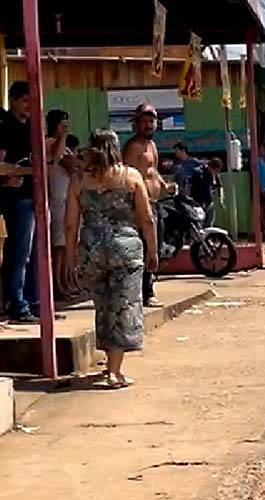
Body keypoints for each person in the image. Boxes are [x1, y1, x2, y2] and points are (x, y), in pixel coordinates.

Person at [64, 129, 158, 388]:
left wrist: (71, 256)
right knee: (123, 306)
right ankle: (114, 372)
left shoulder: (79, 180)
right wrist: (153, 250)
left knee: (103, 305)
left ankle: (109, 364)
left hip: (92, 249)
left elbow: (71, 224)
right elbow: (147, 219)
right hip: (125, 248)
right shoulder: (130, 176)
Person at [123, 103, 173, 308]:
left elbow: (153, 172)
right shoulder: (134, 146)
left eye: (151, 121)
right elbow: (127, 174)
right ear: (137, 124)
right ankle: (146, 291)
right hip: (140, 205)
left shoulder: (152, 145)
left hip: (155, 202)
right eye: (144, 121)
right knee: (143, 248)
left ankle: (148, 286)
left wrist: (165, 186)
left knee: (155, 246)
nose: (148, 125)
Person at [0, 81, 39, 324]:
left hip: (24, 195)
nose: (28, 106)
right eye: (25, 100)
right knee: (19, 254)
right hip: (15, 196)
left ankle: (20, 301)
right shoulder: (5, 126)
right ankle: (18, 304)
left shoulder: (28, 128)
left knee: (22, 253)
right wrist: (25, 171)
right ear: (13, 100)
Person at [46, 109, 76, 299]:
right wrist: (62, 136)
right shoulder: (49, 142)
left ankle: (66, 280)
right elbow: (57, 158)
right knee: (57, 246)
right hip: (56, 199)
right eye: (61, 123)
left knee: (66, 245)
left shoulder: (64, 147)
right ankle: (56, 284)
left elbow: (74, 165)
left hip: (67, 198)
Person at [191, 158, 223, 228]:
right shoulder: (199, 172)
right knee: (199, 224)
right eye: (214, 170)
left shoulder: (214, 175)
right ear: (210, 167)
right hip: (198, 202)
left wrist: (221, 198)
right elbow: (190, 185)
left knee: (209, 224)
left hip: (209, 203)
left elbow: (219, 186)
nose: (215, 172)